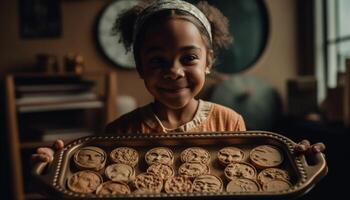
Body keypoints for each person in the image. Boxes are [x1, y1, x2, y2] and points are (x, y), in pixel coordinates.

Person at [31, 0, 325, 164]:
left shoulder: (230, 122)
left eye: (188, 58)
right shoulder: (119, 132)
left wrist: (296, 160)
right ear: (140, 67)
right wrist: (58, 164)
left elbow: (250, 176)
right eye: (158, 61)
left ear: (208, 61)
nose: (174, 71)